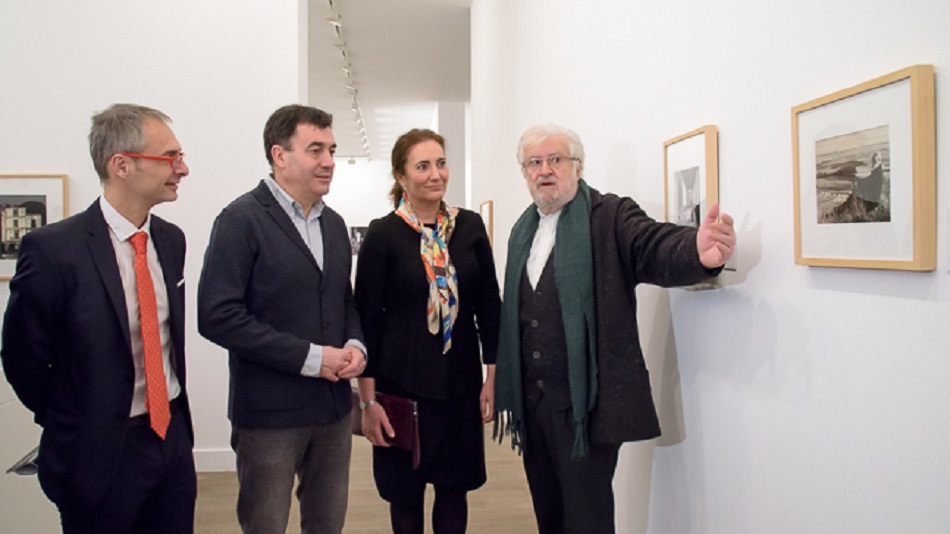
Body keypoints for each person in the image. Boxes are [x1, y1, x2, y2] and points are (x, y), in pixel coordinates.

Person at [494, 124, 736, 534]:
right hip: (535, 404)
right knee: (548, 513)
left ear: (578, 166)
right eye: (534, 162)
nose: (545, 170)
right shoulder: (523, 230)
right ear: (524, 172)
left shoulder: (609, 216)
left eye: (556, 159)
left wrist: (695, 250)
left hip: (587, 406)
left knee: (587, 520)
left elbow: (651, 244)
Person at [1, 103, 195, 533]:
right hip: (97, 453)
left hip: (170, 442)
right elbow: (22, 359)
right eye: (170, 157)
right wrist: (73, 420)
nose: (182, 169)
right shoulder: (54, 250)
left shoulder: (171, 241)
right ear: (121, 165)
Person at [197, 104, 367, 534]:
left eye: (331, 150)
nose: (329, 161)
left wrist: (355, 344)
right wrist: (312, 358)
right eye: (315, 150)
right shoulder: (240, 220)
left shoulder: (334, 224)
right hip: (268, 416)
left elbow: (343, 300)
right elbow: (217, 315)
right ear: (279, 155)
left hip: (332, 412)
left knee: (327, 525)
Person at [355, 129, 501, 534]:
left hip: (460, 386)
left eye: (441, 163)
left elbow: (489, 305)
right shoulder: (383, 234)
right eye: (422, 166)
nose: (436, 174)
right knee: (405, 495)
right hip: (402, 387)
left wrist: (493, 377)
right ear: (401, 177)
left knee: (454, 492)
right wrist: (368, 403)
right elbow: (367, 322)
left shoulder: (469, 227)